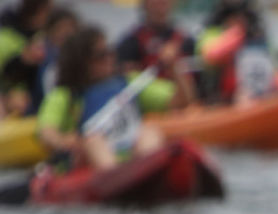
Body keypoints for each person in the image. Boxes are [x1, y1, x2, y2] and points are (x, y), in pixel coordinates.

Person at [35, 25, 195, 171]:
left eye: (110, 52)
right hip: (89, 160)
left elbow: (182, 101)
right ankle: (115, 175)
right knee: (94, 141)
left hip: (132, 154)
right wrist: (63, 141)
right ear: (82, 62)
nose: (109, 59)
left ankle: (152, 171)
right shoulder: (65, 95)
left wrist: (174, 67)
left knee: (148, 131)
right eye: (101, 55)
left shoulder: (130, 83)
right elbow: (47, 132)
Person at [0, 0, 51, 121]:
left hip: (24, 100)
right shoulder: (4, 41)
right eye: (50, 12)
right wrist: (6, 99)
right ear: (39, 13)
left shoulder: (40, 40)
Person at [197, 0, 278, 104]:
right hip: (224, 99)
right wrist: (234, 37)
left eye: (242, 17)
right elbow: (209, 55)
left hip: (260, 96)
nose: (239, 20)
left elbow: (275, 66)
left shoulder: (257, 32)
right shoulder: (212, 29)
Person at [114, 0, 199, 101]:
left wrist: (173, 65)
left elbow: (196, 91)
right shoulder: (130, 44)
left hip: (185, 103)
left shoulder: (187, 41)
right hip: (155, 105)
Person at [30, 5, 78, 113]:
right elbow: (52, 97)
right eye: (60, 28)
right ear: (50, 32)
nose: (67, 32)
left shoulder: (81, 57)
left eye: (71, 28)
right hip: (44, 111)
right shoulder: (48, 62)